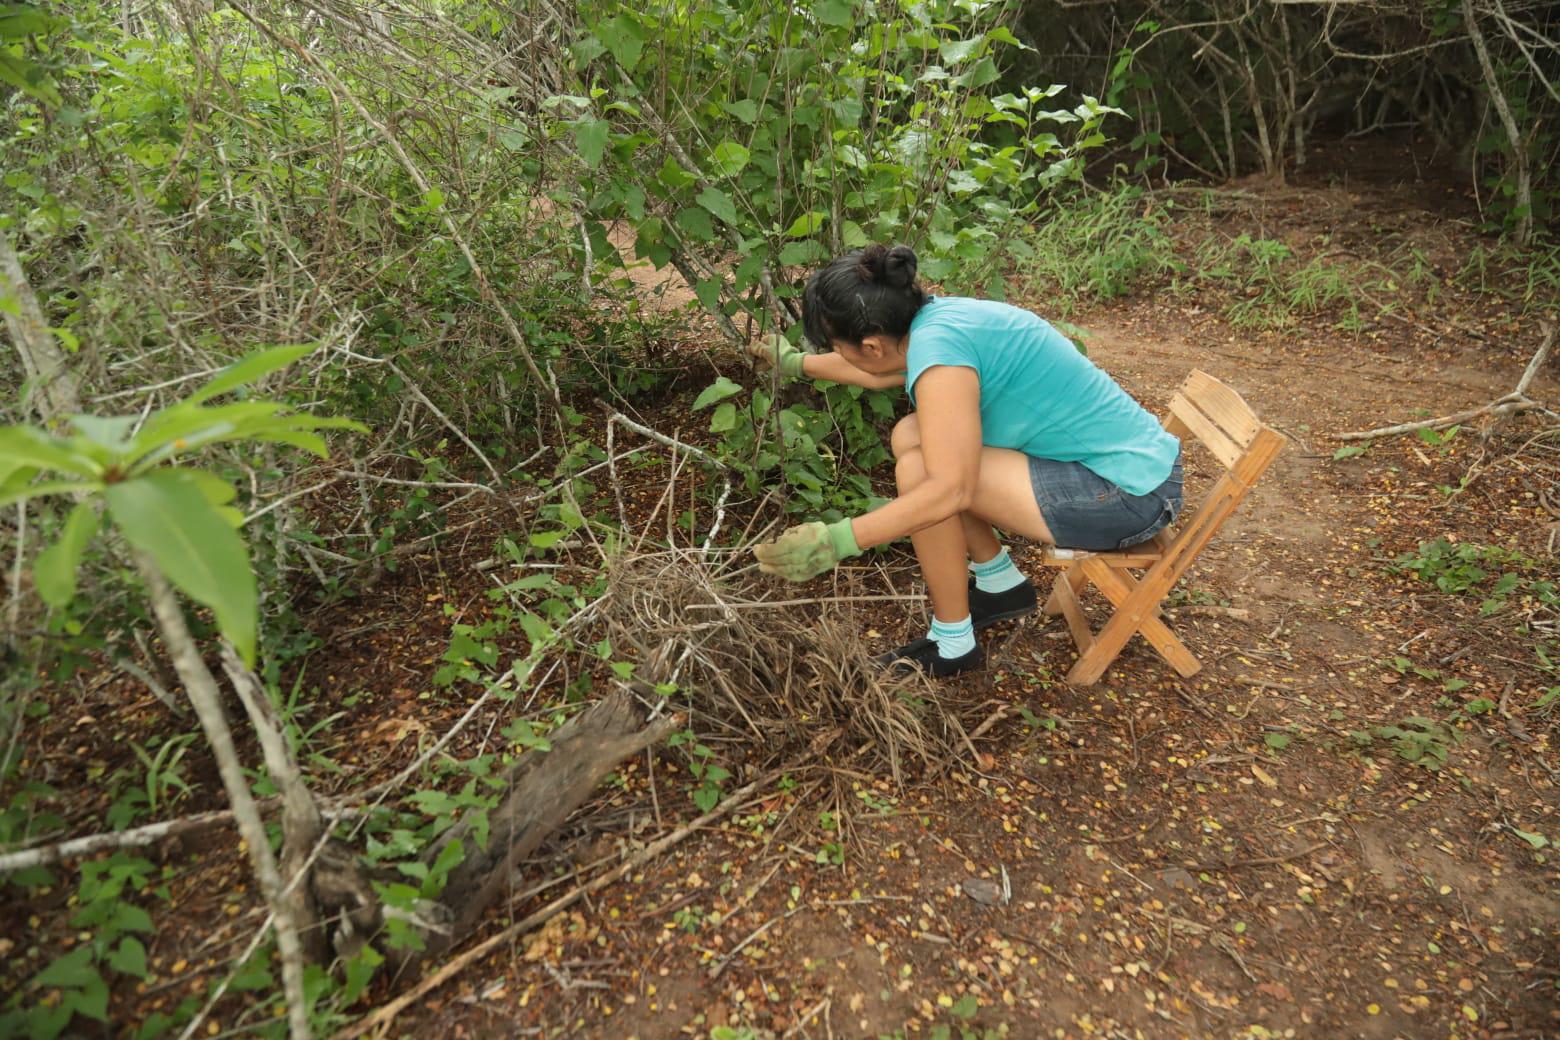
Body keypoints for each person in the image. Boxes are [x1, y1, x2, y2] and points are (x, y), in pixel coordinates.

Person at [748, 243, 1183, 677]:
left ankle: (954, 641)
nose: (838, 352)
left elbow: (949, 491)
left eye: (837, 346)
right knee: (910, 435)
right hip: (1132, 469)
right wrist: (797, 363)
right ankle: (999, 582)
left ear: (872, 345)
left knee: (923, 472)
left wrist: (835, 541)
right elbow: (879, 373)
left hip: (1126, 495)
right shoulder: (933, 323)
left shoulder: (940, 356)